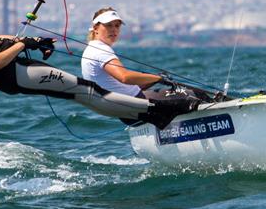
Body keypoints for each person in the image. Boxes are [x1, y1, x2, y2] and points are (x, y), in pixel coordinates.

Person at [0, 5, 194, 128]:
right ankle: (158, 111)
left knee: (83, 91)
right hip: (13, 76)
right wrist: (21, 45)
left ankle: (150, 113)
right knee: (85, 91)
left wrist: (29, 40)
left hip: (19, 67)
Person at [81, 7, 214, 124]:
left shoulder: (91, 50)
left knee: (184, 95)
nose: (114, 30)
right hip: (137, 106)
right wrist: (157, 78)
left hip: (129, 111)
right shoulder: (101, 50)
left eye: (117, 26)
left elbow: (120, 87)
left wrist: (153, 80)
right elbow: (125, 77)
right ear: (96, 28)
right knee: (196, 95)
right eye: (109, 25)